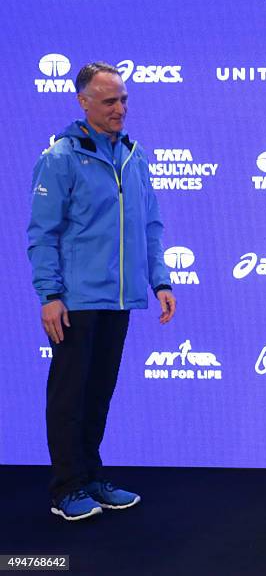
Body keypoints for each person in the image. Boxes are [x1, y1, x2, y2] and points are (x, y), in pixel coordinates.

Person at [27, 62, 176, 521]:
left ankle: (91, 478)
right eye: (110, 101)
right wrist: (49, 295)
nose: (120, 109)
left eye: (124, 100)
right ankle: (65, 487)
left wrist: (160, 279)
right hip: (75, 301)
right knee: (70, 395)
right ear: (83, 102)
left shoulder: (135, 156)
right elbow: (42, 232)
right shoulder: (61, 158)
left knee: (99, 393)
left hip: (120, 298)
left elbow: (149, 225)